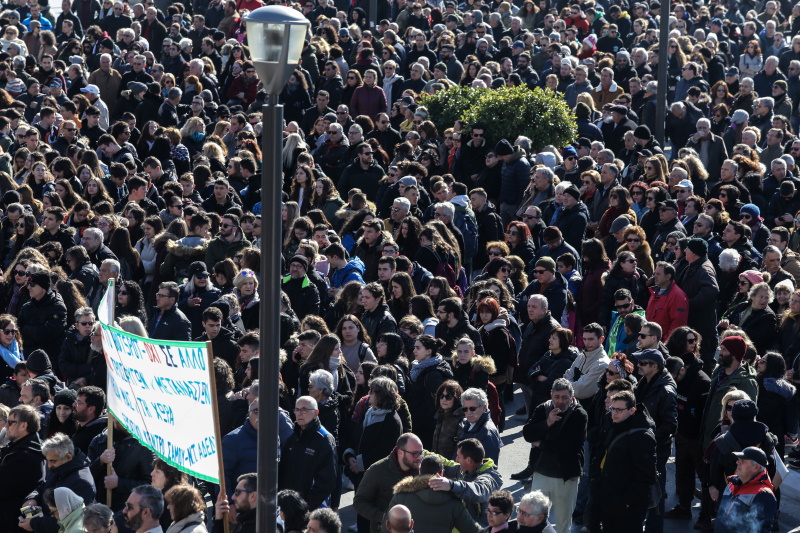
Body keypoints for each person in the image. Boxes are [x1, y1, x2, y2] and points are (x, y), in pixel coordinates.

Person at [522, 379, 587, 533]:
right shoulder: (542, 409)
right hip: (541, 474)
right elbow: (527, 433)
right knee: (534, 519)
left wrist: (542, 444)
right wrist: (547, 423)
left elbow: (570, 447)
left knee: (563, 523)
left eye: (565, 397)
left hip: (565, 477)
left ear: (572, 397)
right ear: (551, 395)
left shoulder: (579, 414)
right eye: (557, 397)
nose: (560, 401)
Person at [595, 390, 657, 533]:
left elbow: (646, 475)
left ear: (632, 410)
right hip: (610, 501)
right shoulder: (613, 425)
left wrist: (626, 502)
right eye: (612, 409)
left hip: (628, 508)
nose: (614, 413)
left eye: (619, 410)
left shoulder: (642, 436)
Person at [384, 455, 480, 533]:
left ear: (419, 471)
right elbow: (473, 530)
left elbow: (385, 528)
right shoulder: (453, 501)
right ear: (441, 474)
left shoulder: (401, 497)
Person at [354, 433, 423, 533]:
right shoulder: (377, 470)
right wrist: (383, 517)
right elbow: (359, 502)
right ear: (400, 452)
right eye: (414, 453)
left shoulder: (422, 469)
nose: (419, 457)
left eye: (421, 453)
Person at [278, 396, 336, 509]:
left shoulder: (324, 439)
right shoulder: (293, 437)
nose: (299, 413)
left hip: (309, 509)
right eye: (297, 409)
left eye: (304, 410)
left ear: (316, 413)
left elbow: (327, 482)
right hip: (288, 506)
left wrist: (306, 506)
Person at [428, 438, 502, 526]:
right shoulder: (464, 469)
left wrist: (451, 485)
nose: (456, 460)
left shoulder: (490, 478)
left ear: (468, 460)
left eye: (458, 456)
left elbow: (477, 490)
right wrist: (421, 452)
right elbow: (445, 463)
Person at [0, 405, 46, 533]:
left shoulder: (25, 455)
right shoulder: (20, 448)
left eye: (10, 422)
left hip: (15, 523)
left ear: (23, 426)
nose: (6, 426)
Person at [714, 446, 777, 533]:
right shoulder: (731, 484)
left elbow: (762, 529)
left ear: (756, 467)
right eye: (738, 459)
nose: (737, 462)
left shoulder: (763, 494)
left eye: (742, 461)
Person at [457, 387, 502, 464]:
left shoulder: (488, 433)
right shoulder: (468, 424)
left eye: (472, 408)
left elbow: (488, 466)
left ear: (484, 408)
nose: (469, 412)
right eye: (465, 409)